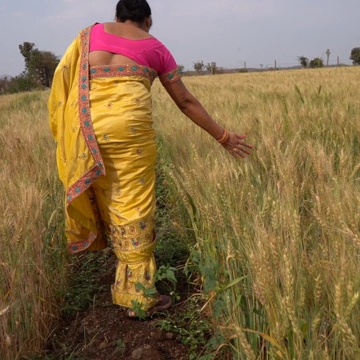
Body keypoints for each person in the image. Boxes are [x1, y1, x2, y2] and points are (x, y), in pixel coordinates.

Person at [48, 0, 253, 318]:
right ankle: (139, 297)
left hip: (86, 130)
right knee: (134, 203)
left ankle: (125, 280)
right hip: (130, 133)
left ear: (116, 17)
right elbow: (185, 101)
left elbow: (63, 82)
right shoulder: (155, 47)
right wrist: (224, 137)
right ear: (148, 20)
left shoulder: (88, 35)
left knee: (109, 196)